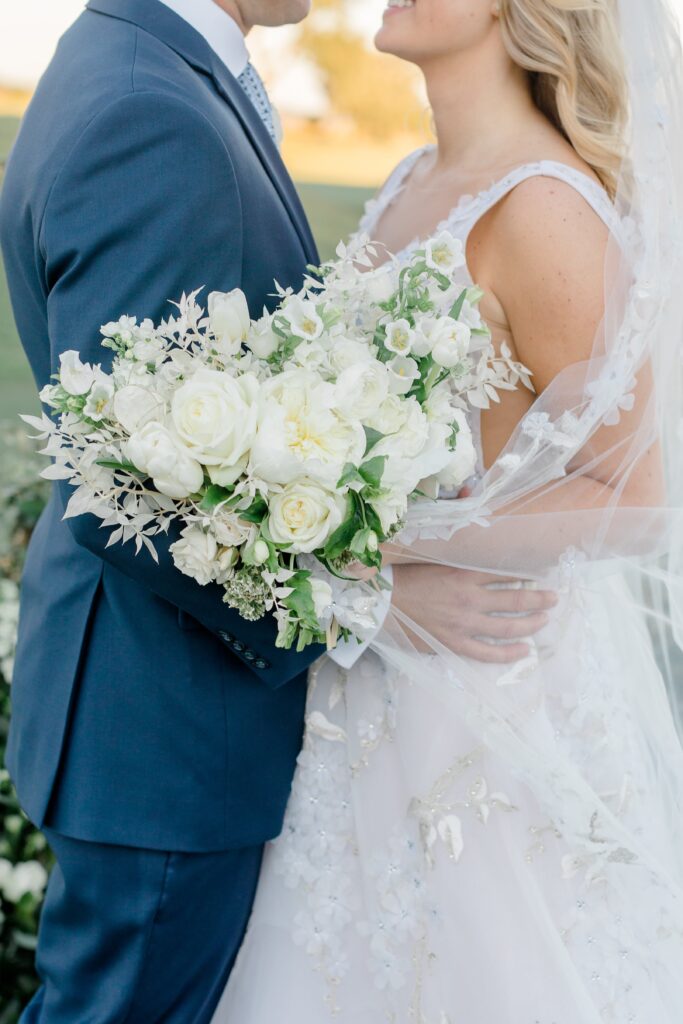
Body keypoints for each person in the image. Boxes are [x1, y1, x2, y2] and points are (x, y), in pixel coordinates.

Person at [0, 0, 553, 1020]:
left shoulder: (143, 67)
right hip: (162, 727)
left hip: (158, 718)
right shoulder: (145, 108)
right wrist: (369, 602)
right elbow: (133, 484)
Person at [215, 0, 683, 1021]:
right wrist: (364, 572)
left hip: (485, 710)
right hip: (362, 695)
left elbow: (633, 494)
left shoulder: (545, 207)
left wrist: (390, 547)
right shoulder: (406, 184)